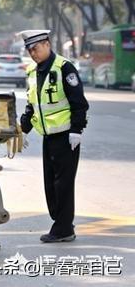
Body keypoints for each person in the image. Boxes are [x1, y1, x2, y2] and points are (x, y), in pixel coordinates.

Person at [19, 29, 89, 243]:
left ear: (47, 44)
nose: (33, 53)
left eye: (36, 48)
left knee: (63, 184)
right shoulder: (33, 72)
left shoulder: (64, 68)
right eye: (30, 50)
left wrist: (77, 129)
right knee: (51, 184)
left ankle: (63, 229)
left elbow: (78, 102)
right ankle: (62, 222)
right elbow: (32, 106)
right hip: (49, 137)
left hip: (66, 136)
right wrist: (21, 130)